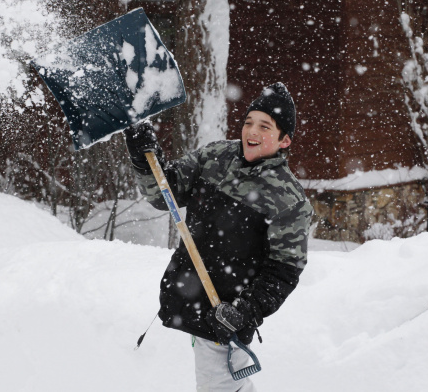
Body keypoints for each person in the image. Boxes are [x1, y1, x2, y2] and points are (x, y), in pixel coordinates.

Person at [124, 82, 313, 392]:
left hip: (224, 312)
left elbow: (284, 269)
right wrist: (146, 159)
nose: (251, 130)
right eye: (249, 121)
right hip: (194, 293)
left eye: (264, 126)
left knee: (219, 385)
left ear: (284, 140)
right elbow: (165, 192)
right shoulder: (216, 156)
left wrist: (245, 310)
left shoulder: (288, 198)